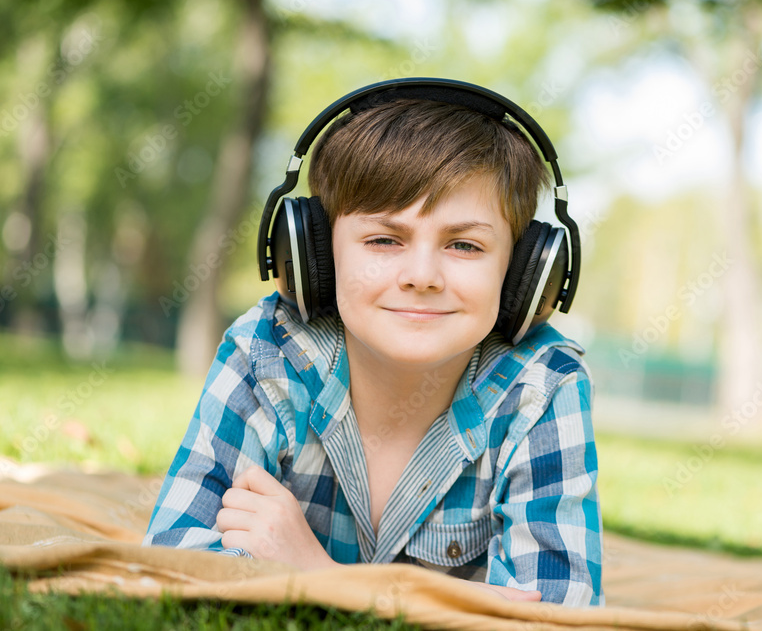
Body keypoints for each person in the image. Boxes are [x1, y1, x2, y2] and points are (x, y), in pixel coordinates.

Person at [143, 80, 603, 606]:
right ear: (314, 252)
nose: (422, 275)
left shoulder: (542, 385)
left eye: (464, 244)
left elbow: (557, 616)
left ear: (524, 272)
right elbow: (175, 565)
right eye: (384, 239)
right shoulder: (266, 352)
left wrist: (318, 576)